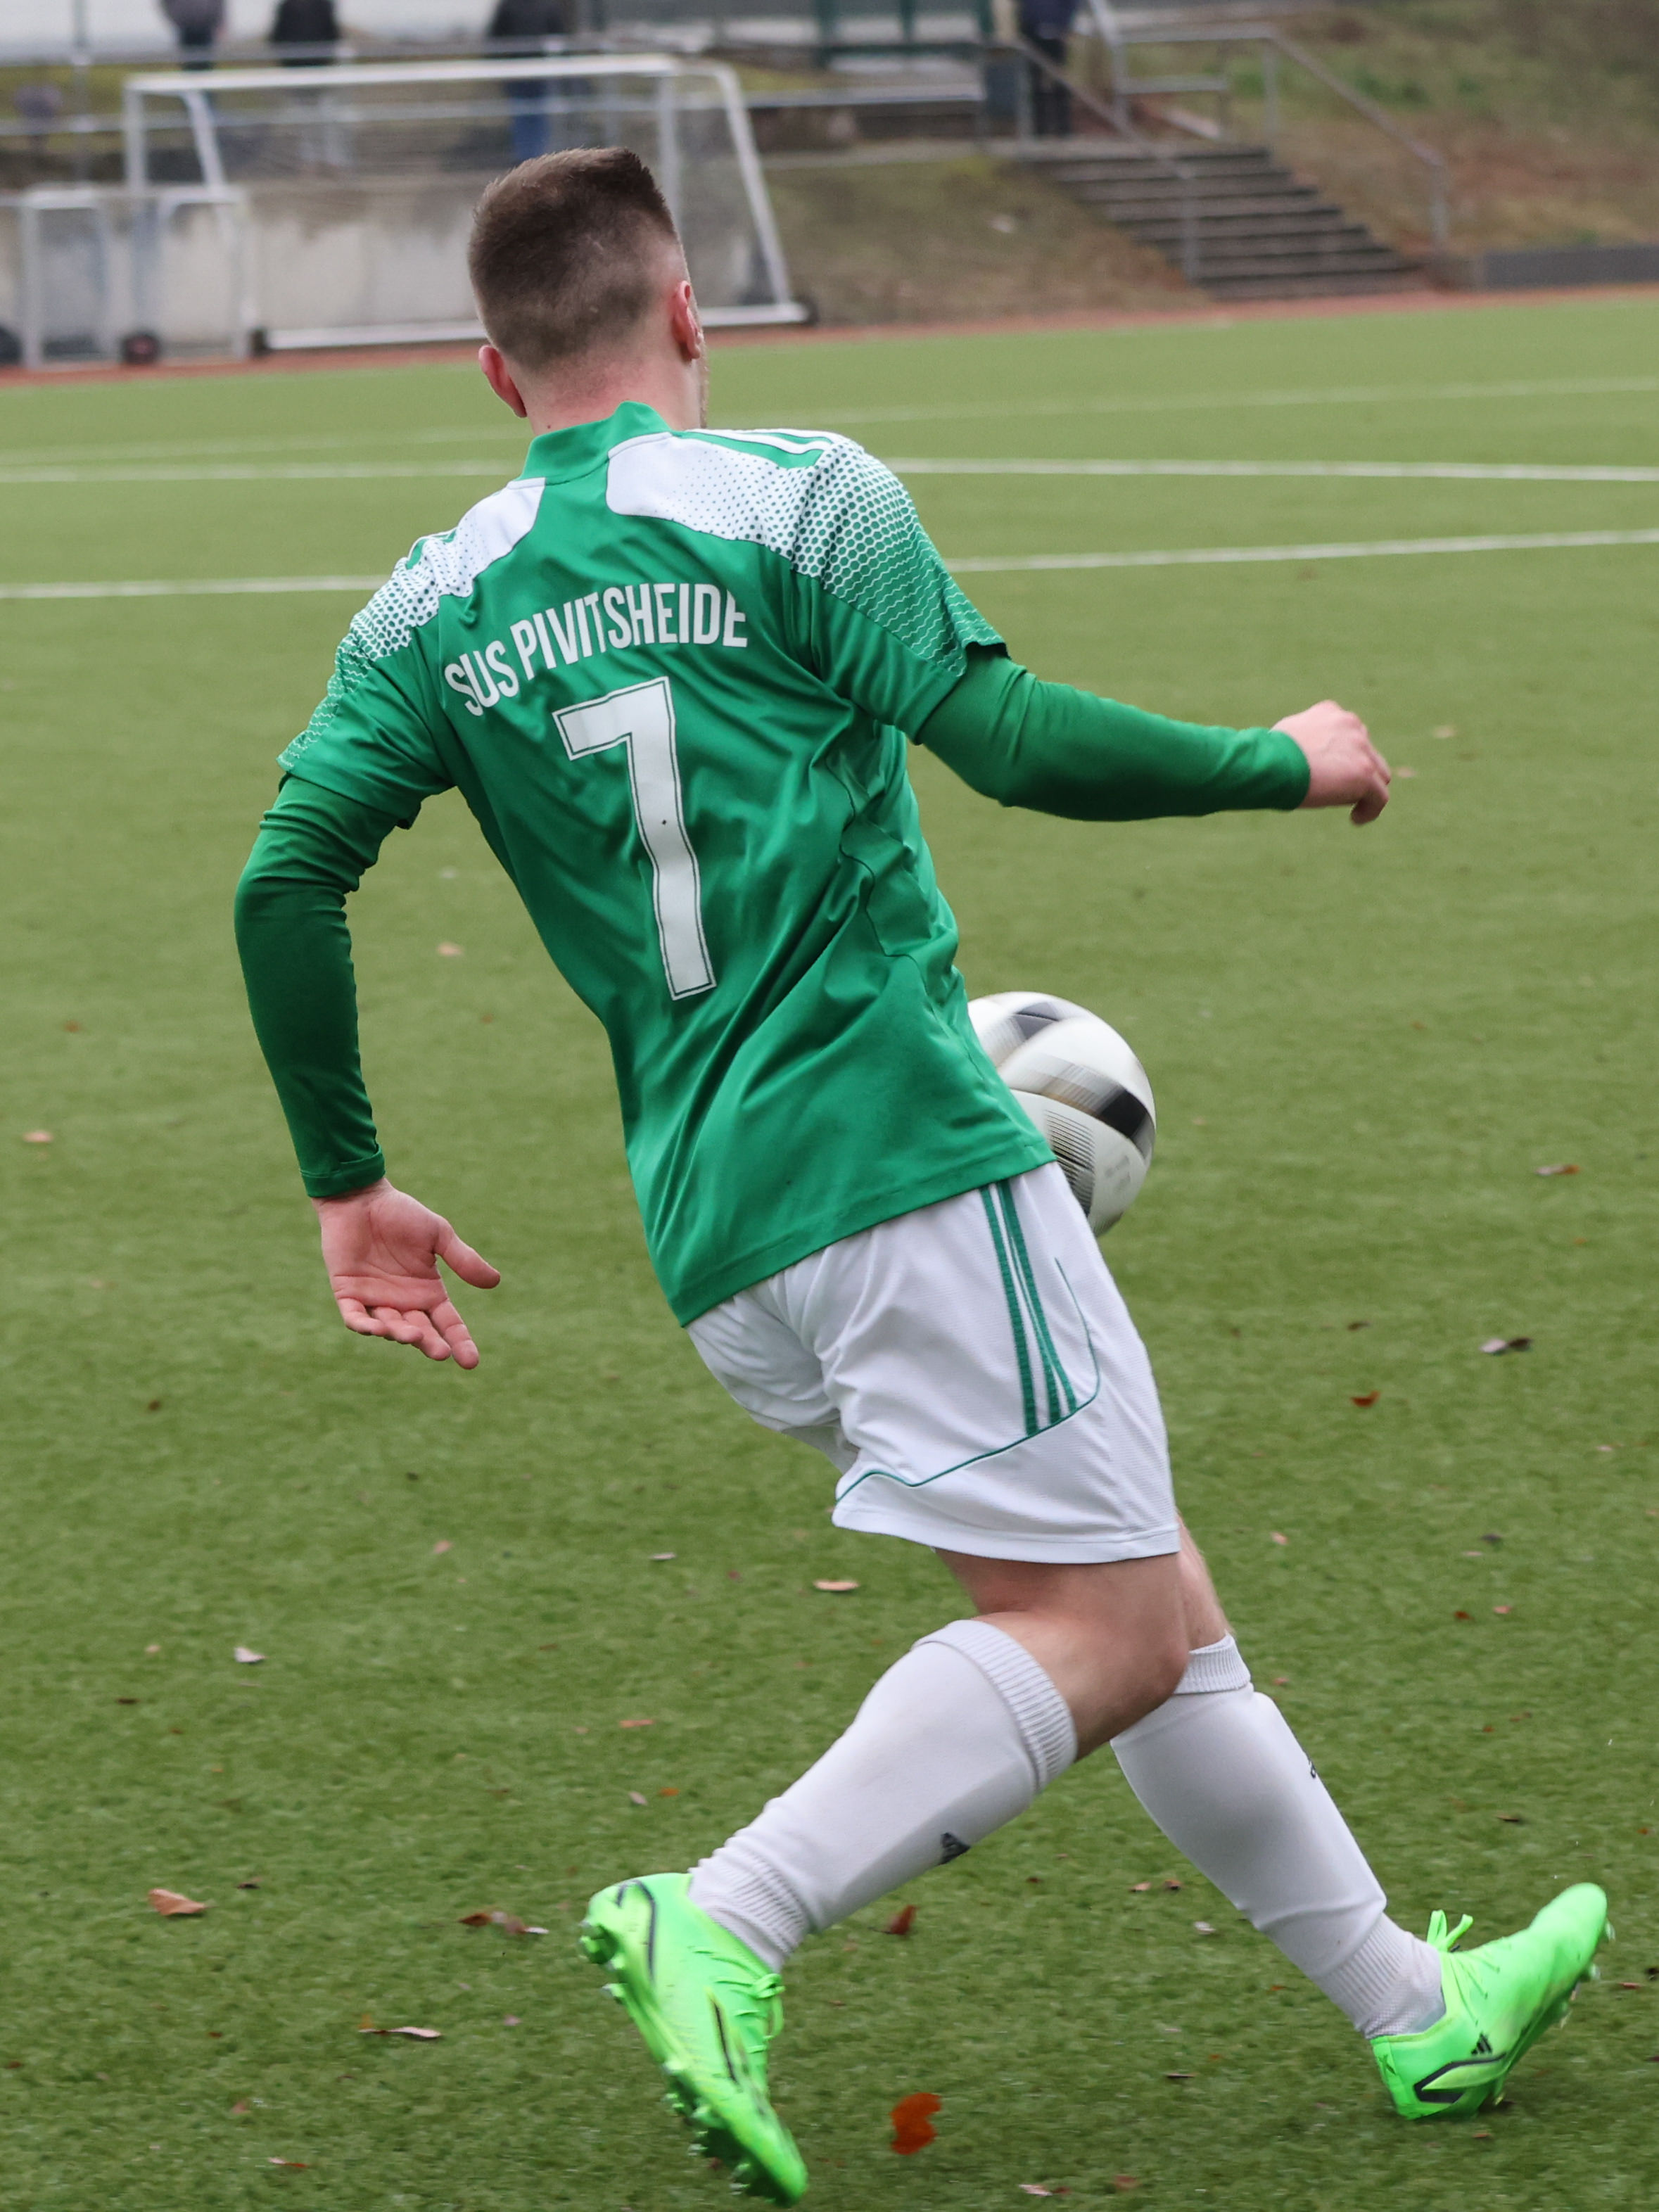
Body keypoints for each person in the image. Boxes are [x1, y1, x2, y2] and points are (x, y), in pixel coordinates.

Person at [234, 148, 1606, 2208]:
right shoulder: (800, 496)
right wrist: (1285, 754)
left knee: (1146, 1602)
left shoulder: (432, 605)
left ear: (492, 372)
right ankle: (725, 1914)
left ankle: (1415, 2011)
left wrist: (349, 1185)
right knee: (1106, 1629)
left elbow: (284, 882)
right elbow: (1012, 739)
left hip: (720, 1231)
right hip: (898, 1152)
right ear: (686, 312)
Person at [487, 0, 571, 165]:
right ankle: (530, 157)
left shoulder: (513, 5)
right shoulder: (539, 5)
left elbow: (558, 35)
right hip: (520, 71)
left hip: (535, 72)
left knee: (532, 113)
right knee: (527, 113)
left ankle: (532, 156)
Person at [1019, 0, 1076, 137]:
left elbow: (1071, 5)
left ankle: (1063, 128)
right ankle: (1040, 129)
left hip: (1057, 33)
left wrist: (1064, 25)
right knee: (1035, 82)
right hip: (1033, 33)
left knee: (1059, 82)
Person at [160, 0, 225, 70]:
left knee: (206, 64)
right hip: (186, 31)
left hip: (206, 30)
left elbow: (218, 3)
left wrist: (219, 22)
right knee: (188, 63)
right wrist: (177, 18)